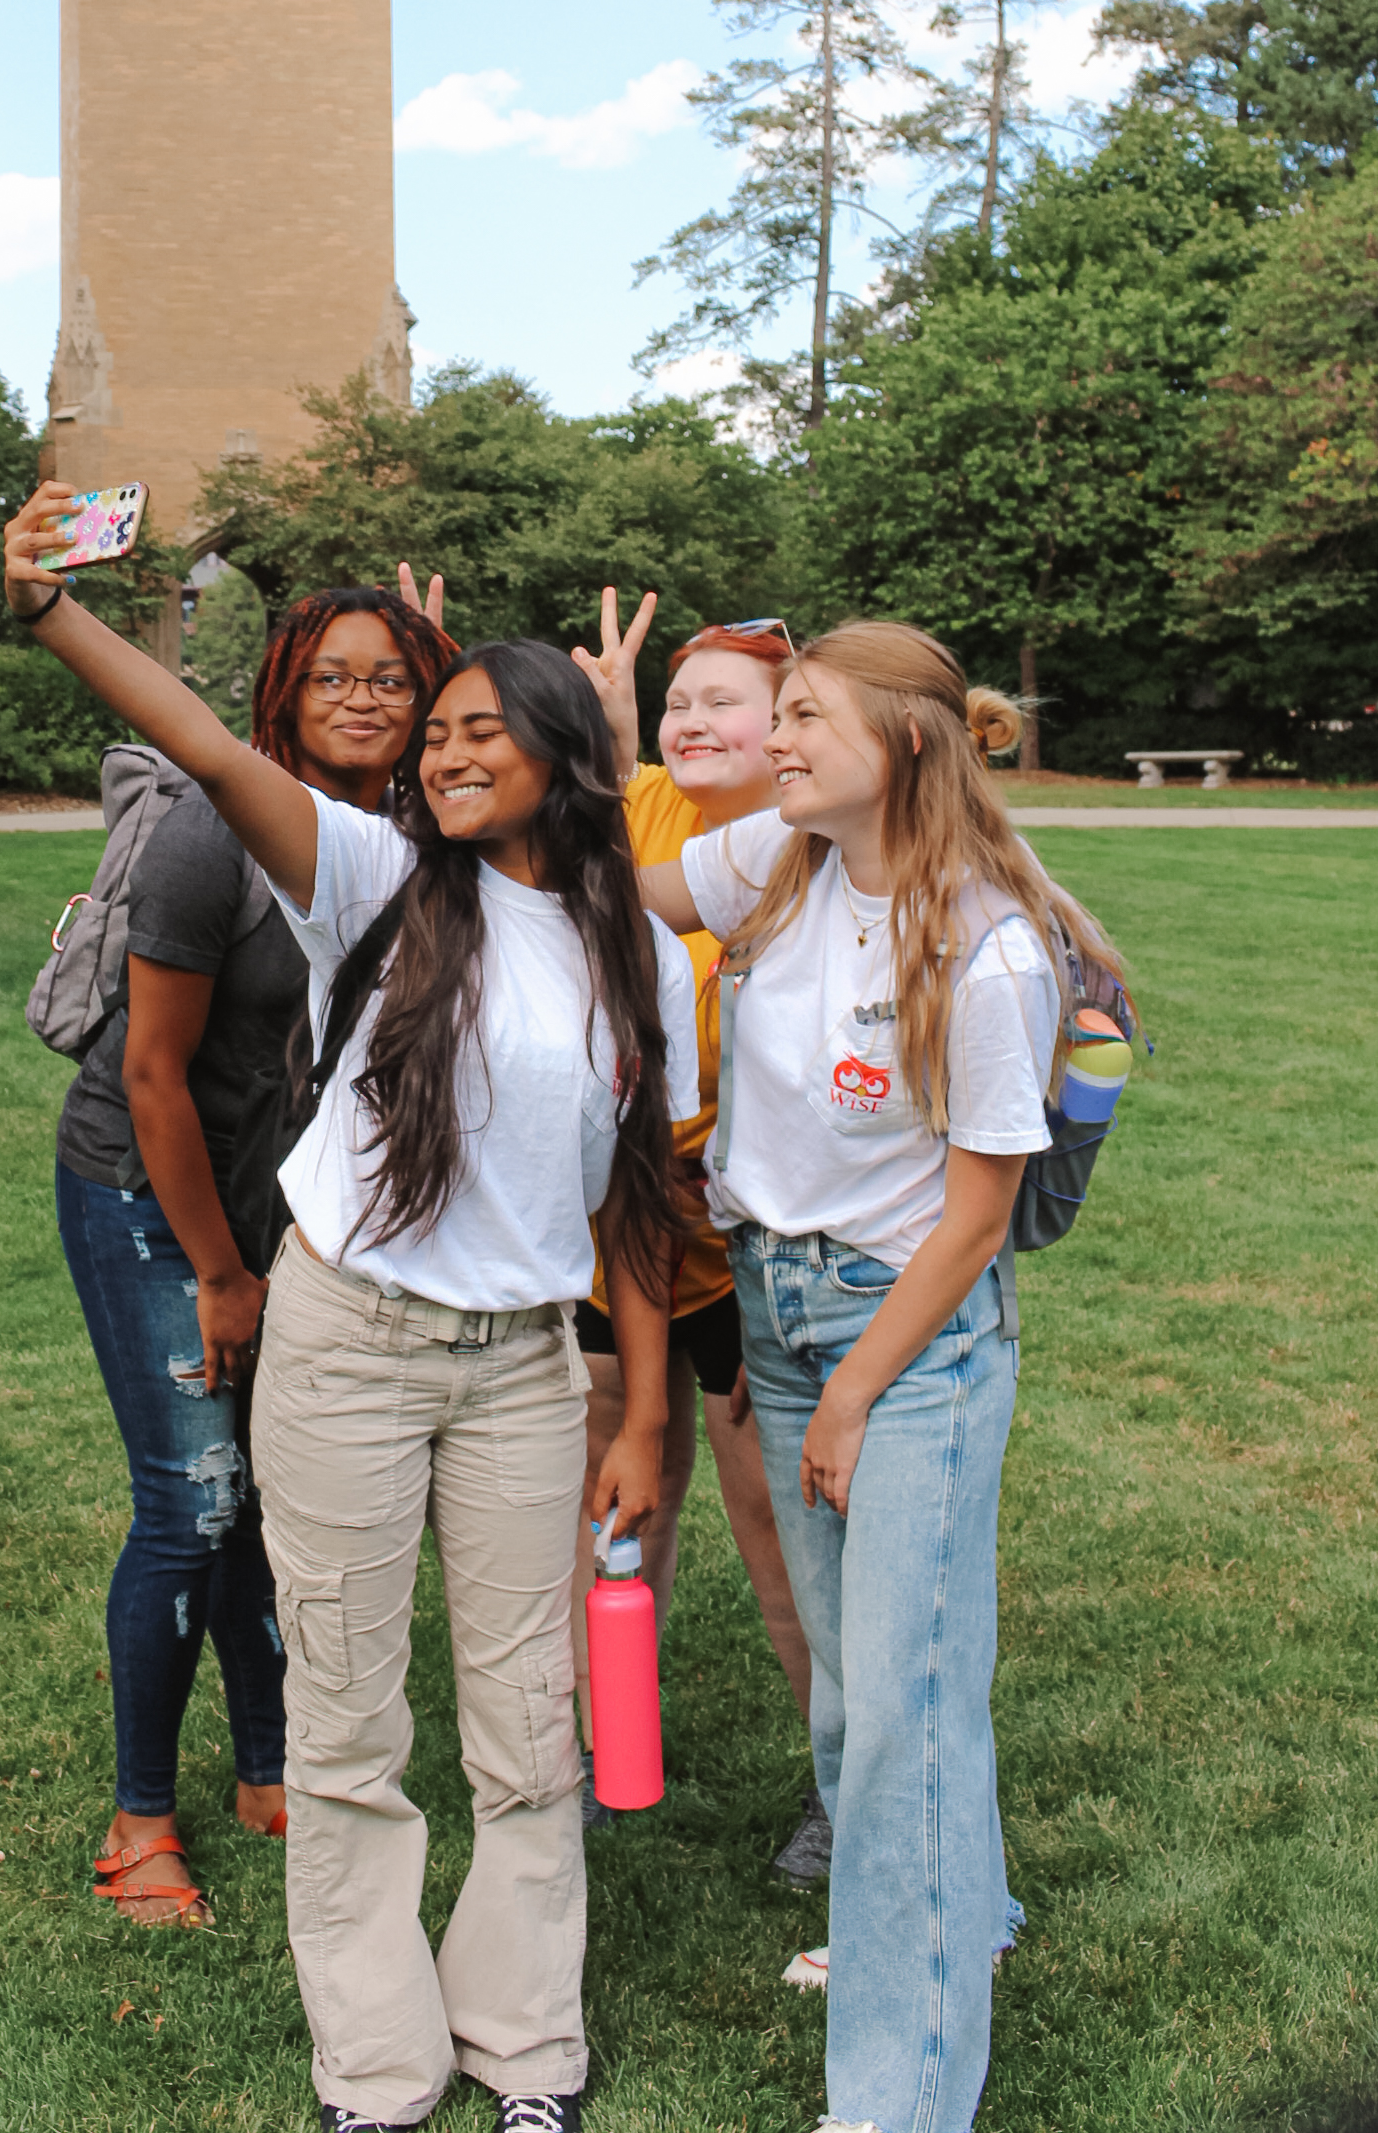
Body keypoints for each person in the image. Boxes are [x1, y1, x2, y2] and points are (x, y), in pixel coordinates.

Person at [4, 487, 695, 2133]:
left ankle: (525, 2048)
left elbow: (635, 1199)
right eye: (433, 731)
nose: (441, 751)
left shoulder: (632, 949)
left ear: (560, 750)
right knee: (346, 1716)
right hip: (349, 1347)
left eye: (476, 729)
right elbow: (198, 736)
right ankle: (378, 2072)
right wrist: (45, 609)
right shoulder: (372, 875)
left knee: (529, 1727)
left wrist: (646, 1409)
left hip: (526, 1370)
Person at [604, 617, 1127, 2133]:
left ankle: (895, 2099)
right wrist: (595, 743)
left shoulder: (983, 945)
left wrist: (846, 1394)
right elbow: (622, 883)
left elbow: (972, 1221)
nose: (773, 741)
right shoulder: (777, 857)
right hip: (776, 1302)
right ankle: (956, 1908)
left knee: (897, 1704)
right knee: (858, 1694)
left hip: (903, 1341)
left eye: (802, 718)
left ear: (899, 741)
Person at [53, 577, 454, 1929]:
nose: (361, 697)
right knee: (191, 1502)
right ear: (281, 684)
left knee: (265, 1497)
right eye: (332, 674)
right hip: (145, 1190)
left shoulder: (409, 836)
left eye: (388, 678)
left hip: (286, 1212)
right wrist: (220, 1275)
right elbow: (154, 1078)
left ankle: (268, 1766)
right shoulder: (206, 840)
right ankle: (140, 1817)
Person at [568, 619, 821, 1879]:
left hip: (752, 1256)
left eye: (727, 701)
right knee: (619, 1506)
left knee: (778, 1526)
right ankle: (598, 1759)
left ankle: (840, 1781)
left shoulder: (814, 834)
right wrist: (613, 745)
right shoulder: (642, 807)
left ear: (789, 725)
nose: (691, 721)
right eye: (678, 701)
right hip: (623, 1235)